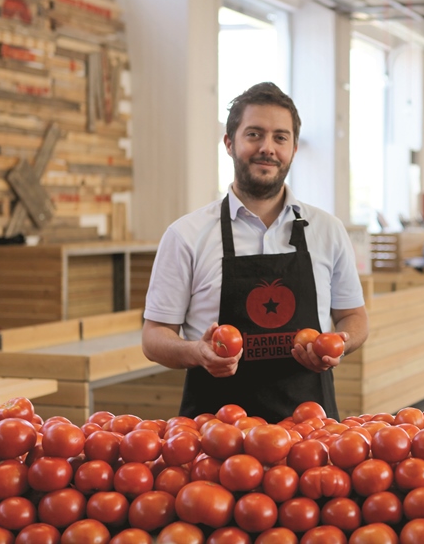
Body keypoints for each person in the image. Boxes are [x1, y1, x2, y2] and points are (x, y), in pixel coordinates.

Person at [141, 82, 368, 423]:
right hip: (215, 434)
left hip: (309, 431)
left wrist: (338, 344)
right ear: (230, 143)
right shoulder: (186, 235)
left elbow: (356, 318)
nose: (268, 148)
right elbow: (153, 336)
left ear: (293, 147)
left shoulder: (327, 230)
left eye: (280, 137)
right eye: (254, 134)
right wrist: (196, 352)